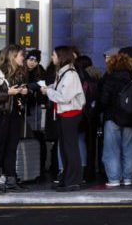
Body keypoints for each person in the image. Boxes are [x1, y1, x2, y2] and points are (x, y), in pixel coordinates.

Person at [0, 45, 29, 194]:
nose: (24, 58)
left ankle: (11, 180)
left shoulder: (20, 73)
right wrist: (7, 92)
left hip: (14, 116)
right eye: (22, 55)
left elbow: (17, 97)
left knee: (11, 149)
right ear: (13, 56)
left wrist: (23, 92)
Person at [40, 46, 86, 192]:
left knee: (70, 148)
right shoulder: (63, 73)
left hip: (70, 115)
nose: (52, 58)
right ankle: (67, 178)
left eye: (53, 55)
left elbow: (64, 97)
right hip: (64, 115)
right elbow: (59, 89)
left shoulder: (70, 74)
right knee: (65, 148)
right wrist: (48, 88)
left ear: (61, 57)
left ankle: (73, 181)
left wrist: (48, 92)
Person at [98, 52, 132, 187]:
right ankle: (128, 178)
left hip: (112, 118)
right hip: (131, 119)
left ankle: (114, 179)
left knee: (112, 150)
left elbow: (103, 100)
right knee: (130, 150)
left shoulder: (109, 78)